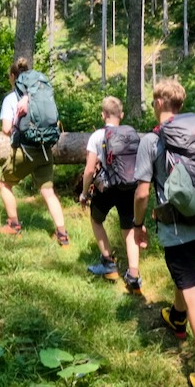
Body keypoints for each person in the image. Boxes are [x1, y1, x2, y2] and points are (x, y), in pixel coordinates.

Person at [132, 78, 195, 387]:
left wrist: (138, 225)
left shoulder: (152, 141)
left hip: (174, 225)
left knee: (192, 288)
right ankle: (176, 316)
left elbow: (143, 193)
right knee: (184, 273)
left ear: (159, 103)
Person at [0, 57, 69, 246]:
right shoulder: (40, 94)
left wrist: (15, 123)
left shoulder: (11, 98)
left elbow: (6, 129)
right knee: (48, 191)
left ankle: (13, 224)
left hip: (25, 150)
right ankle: (62, 234)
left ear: (13, 76)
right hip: (45, 148)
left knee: (4, 184)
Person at [79, 96, 142, 289]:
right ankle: (133, 275)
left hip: (107, 188)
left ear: (103, 115)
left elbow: (90, 170)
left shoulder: (97, 136)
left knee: (96, 220)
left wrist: (84, 193)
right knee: (128, 227)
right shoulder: (131, 134)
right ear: (121, 115)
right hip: (129, 186)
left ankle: (108, 265)